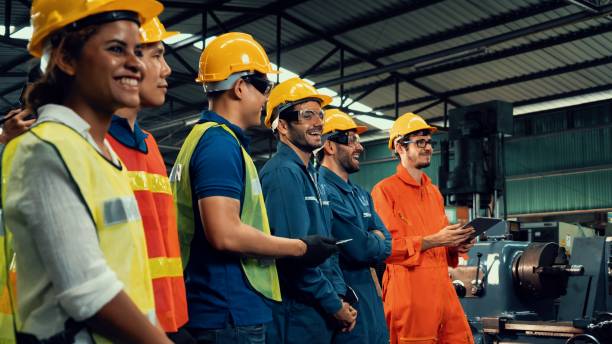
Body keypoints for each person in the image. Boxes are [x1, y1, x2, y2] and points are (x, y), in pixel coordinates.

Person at [1, 0, 171, 342]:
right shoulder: (44, 150)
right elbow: (87, 292)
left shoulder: (100, 152)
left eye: (138, 51)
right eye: (116, 49)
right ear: (66, 58)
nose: (136, 64)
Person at [170, 32, 337, 344]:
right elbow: (225, 233)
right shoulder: (219, 144)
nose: (264, 99)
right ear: (239, 86)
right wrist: (301, 247)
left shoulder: (205, 140)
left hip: (221, 307)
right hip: (228, 310)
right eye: (263, 88)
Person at [106, 17, 191, 342]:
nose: (167, 69)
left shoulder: (151, 146)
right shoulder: (92, 146)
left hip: (166, 321)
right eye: (156, 56)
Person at [260, 78, 358, 344]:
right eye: (307, 115)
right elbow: (296, 259)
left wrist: (340, 296)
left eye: (320, 114)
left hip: (319, 311)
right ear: (282, 125)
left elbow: (327, 249)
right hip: (296, 315)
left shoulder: (312, 175)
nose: (318, 122)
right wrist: (334, 305)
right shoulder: (283, 174)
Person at [370, 112, 476, 344]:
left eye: (429, 142)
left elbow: (441, 242)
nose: (428, 147)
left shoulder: (433, 192)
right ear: (400, 147)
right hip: (410, 294)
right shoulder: (384, 192)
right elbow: (387, 249)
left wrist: (457, 244)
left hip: (443, 291)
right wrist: (437, 240)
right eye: (420, 142)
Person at [317, 109, 391, 344]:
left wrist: (375, 240)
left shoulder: (361, 194)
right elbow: (359, 249)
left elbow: (386, 243)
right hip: (347, 300)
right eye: (351, 140)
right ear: (329, 146)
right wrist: (372, 238)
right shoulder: (322, 190)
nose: (359, 147)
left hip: (371, 300)